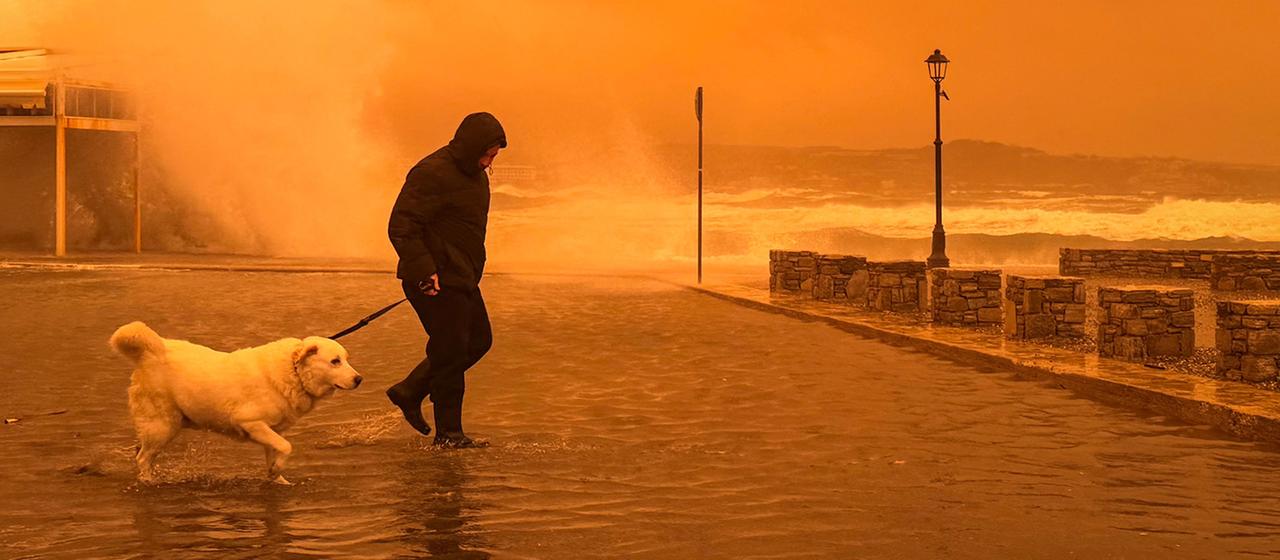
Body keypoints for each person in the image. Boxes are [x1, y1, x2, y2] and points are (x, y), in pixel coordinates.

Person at [386, 112, 506, 448]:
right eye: (486, 155)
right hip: (433, 279)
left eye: (493, 156)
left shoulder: (476, 176)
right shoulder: (431, 172)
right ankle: (450, 435)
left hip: (461, 276)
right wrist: (425, 271)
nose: (488, 163)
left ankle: (410, 390)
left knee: (479, 340)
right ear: (471, 147)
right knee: (450, 351)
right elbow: (401, 226)